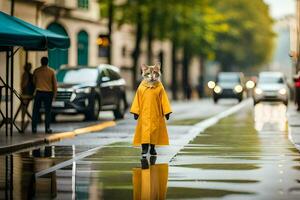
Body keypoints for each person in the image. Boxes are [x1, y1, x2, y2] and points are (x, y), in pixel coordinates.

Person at [130, 63, 172, 157]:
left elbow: (164, 100)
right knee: (144, 131)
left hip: (155, 114)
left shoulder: (160, 87)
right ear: (144, 73)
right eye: (148, 74)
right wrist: (135, 112)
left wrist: (167, 112)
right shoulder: (141, 87)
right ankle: (144, 148)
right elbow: (137, 99)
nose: (152, 77)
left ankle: (152, 148)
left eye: (155, 74)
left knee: (154, 131)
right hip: (144, 115)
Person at [32, 57, 57, 133]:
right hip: (48, 93)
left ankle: (34, 128)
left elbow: (33, 82)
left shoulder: (36, 71)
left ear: (41, 62)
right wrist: (54, 95)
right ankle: (47, 128)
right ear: (47, 62)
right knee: (47, 111)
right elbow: (55, 85)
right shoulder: (51, 71)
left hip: (39, 92)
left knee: (36, 111)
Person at [20, 63, 34, 130]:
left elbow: (24, 84)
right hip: (30, 94)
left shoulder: (25, 74)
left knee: (24, 108)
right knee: (24, 108)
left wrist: (22, 88)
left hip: (25, 94)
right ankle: (30, 119)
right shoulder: (31, 75)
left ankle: (25, 121)